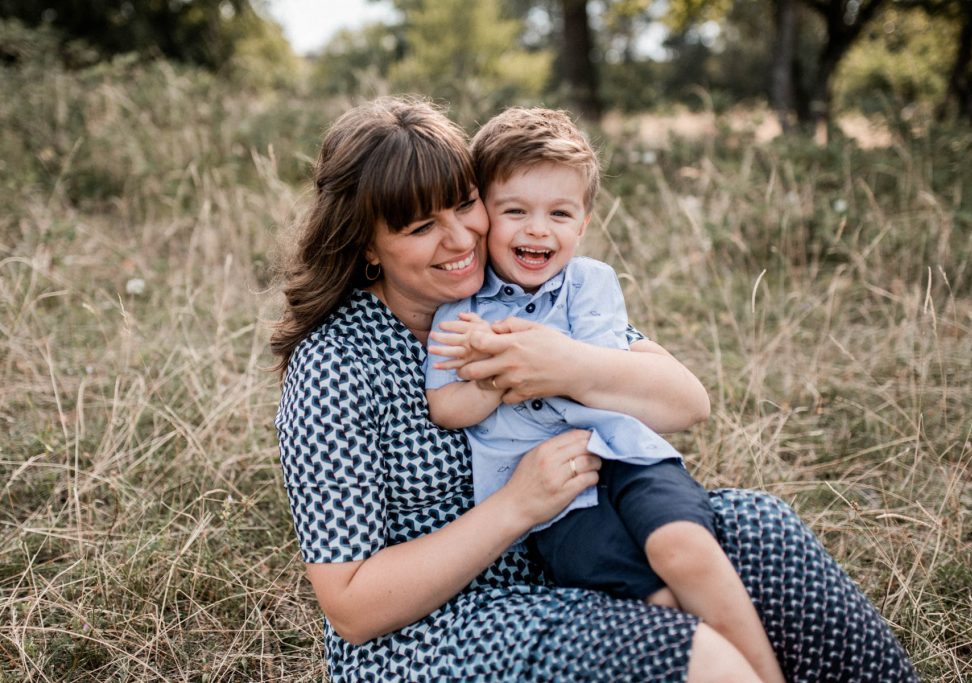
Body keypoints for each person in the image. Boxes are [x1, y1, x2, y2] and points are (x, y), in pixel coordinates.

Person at [272, 95, 919, 682]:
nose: (462, 237)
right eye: (420, 228)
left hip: (572, 545)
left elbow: (686, 402)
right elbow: (352, 605)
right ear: (368, 247)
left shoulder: (524, 294)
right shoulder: (336, 366)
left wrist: (570, 364)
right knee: (694, 655)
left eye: (464, 203)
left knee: (764, 532)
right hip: (435, 633)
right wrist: (515, 506)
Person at [423, 107, 784, 683]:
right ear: (484, 215)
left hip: (626, 453)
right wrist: (490, 377)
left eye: (559, 213)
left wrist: (524, 351)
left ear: (584, 222)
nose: (538, 230)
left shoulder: (591, 283)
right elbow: (446, 406)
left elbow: (600, 362)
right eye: (515, 211)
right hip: (554, 503)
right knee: (655, 597)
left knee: (685, 550)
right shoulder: (458, 314)